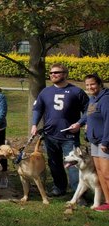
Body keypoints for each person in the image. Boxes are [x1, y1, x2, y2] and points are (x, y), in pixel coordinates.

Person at [31, 63, 88, 197]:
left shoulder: (76, 92)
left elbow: (88, 110)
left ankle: (79, 194)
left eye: (56, 72)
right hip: (50, 134)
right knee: (54, 164)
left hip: (69, 136)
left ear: (65, 74)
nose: (53, 75)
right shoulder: (45, 92)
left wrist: (80, 123)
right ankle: (59, 187)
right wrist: (34, 124)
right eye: (51, 73)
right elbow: (38, 109)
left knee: (74, 165)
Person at [74, 74, 109, 211]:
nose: (90, 87)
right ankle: (106, 201)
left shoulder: (105, 99)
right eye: (87, 85)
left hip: (104, 142)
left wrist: (106, 141)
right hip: (94, 141)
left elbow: (108, 121)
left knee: (106, 173)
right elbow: (87, 115)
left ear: (100, 84)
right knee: (100, 172)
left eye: (92, 84)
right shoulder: (93, 99)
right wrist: (78, 124)